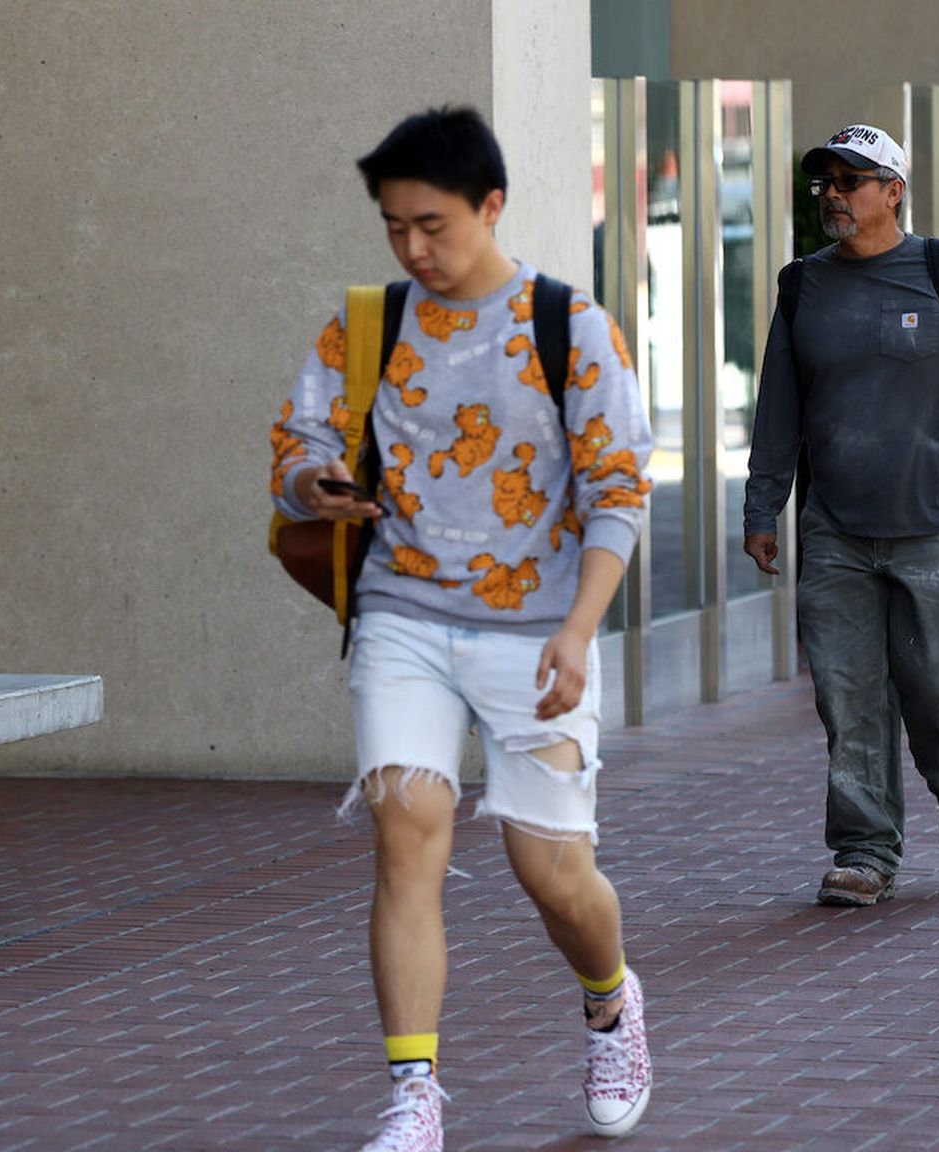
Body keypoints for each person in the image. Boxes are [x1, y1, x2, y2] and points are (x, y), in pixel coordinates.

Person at [269, 106, 655, 1149]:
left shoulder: (569, 327)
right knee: (407, 835)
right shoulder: (369, 322)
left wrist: (579, 632)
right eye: (395, 227)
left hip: (538, 633)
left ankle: (611, 1000)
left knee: (552, 875)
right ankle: (413, 1096)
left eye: (432, 224)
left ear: (491, 206)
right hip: (402, 614)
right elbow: (294, 448)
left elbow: (619, 492)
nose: (412, 248)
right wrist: (319, 483)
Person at [742, 123, 939, 908]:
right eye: (826, 183)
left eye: (851, 181)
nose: (834, 195)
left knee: (938, 684)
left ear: (892, 190)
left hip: (934, 521)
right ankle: (865, 850)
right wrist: (763, 506)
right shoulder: (802, 285)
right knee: (847, 694)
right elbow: (778, 406)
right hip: (835, 529)